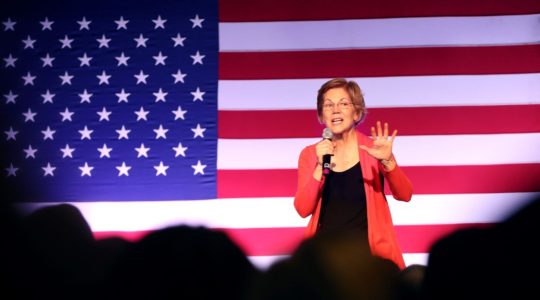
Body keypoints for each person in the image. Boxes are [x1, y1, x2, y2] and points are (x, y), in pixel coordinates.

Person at [293, 78, 413, 269]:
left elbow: (405, 194)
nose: (335, 110)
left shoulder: (374, 150)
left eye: (343, 104)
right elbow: (302, 209)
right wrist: (318, 167)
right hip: (325, 261)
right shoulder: (310, 154)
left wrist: (387, 161)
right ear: (322, 116)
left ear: (356, 113)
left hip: (370, 259)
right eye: (328, 105)